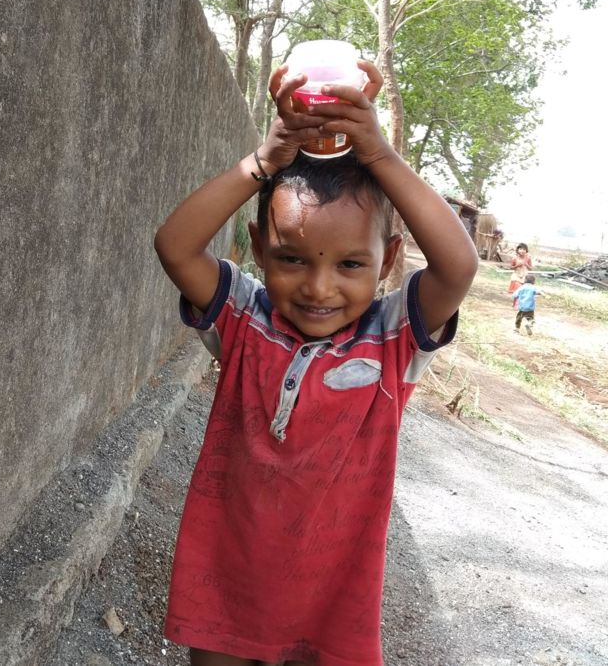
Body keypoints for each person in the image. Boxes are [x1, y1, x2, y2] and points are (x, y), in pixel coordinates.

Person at [153, 59, 479, 666]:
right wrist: (265, 161)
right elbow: (175, 246)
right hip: (225, 580)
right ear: (258, 250)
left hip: (331, 599)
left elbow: (458, 266)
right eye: (292, 259)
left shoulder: (391, 340)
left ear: (387, 261)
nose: (319, 288)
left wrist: (378, 153)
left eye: (351, 264)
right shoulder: (244, 319)